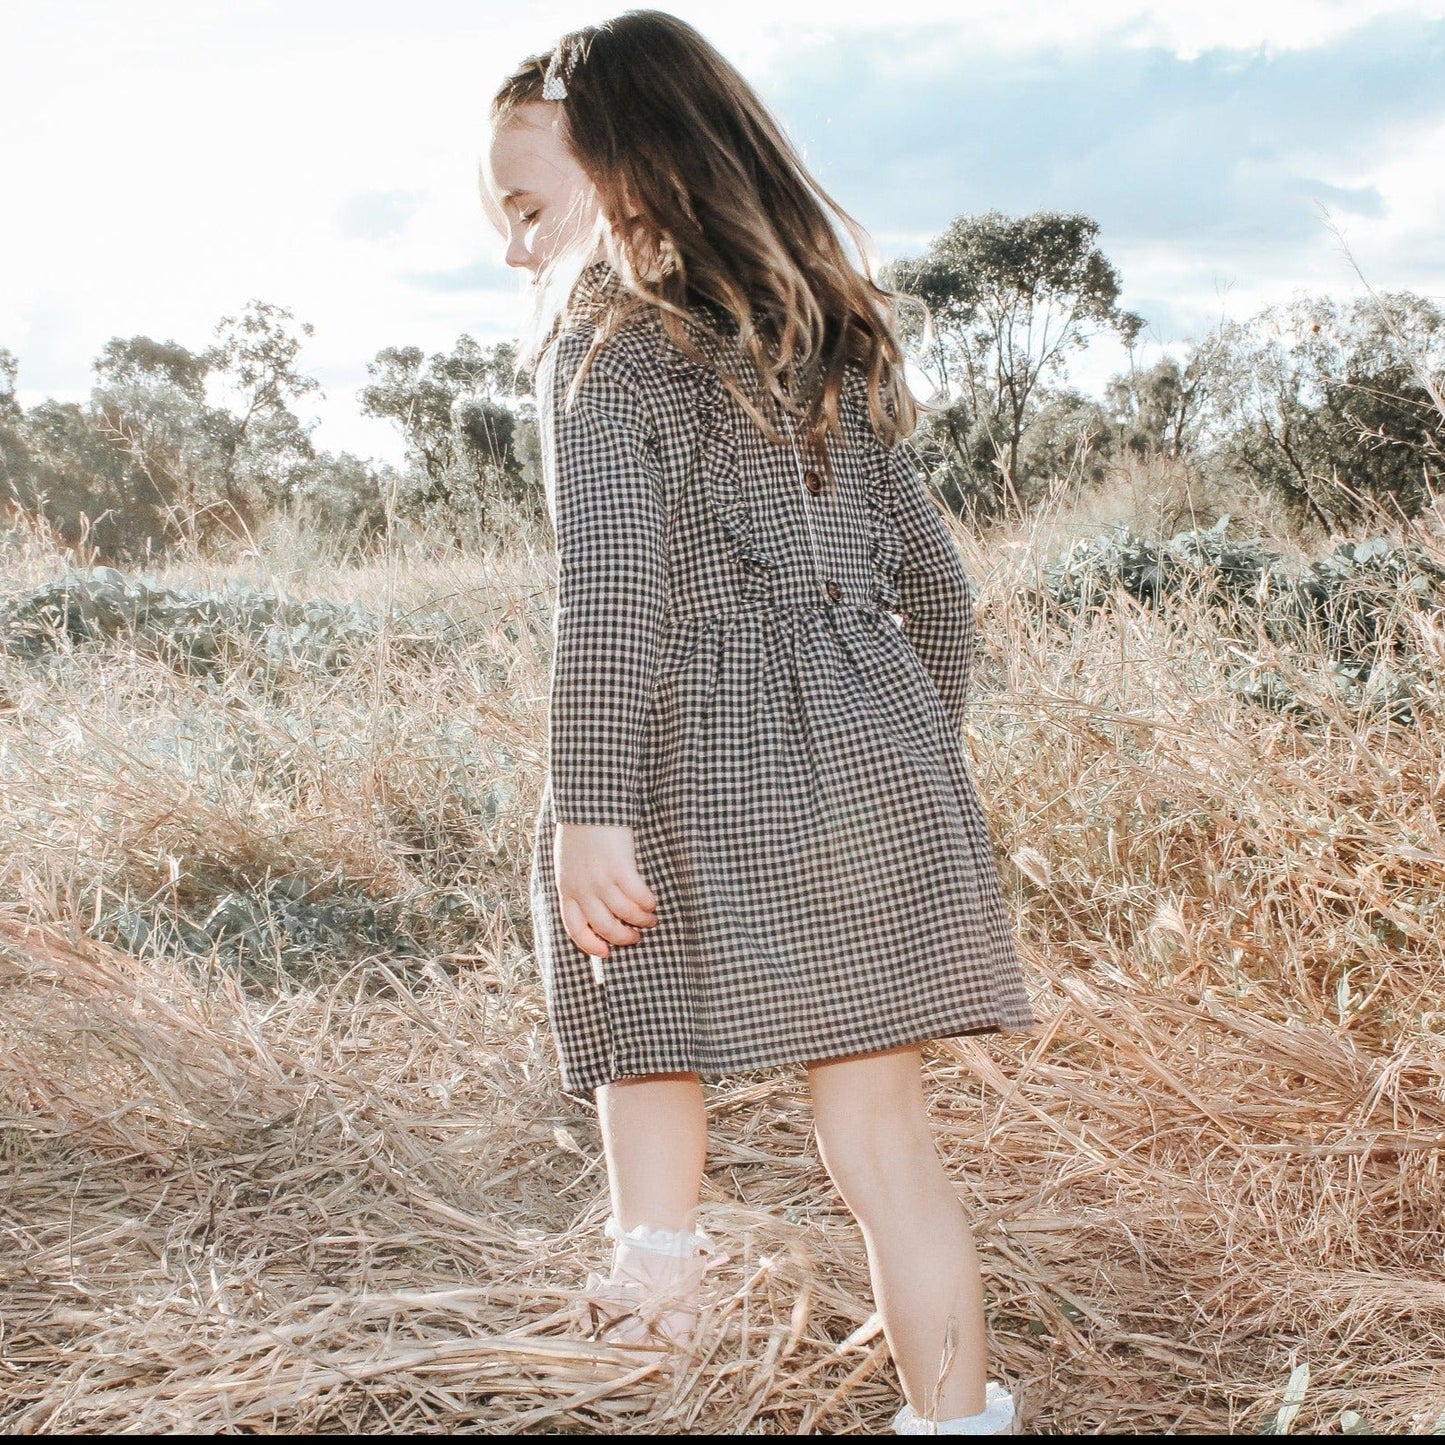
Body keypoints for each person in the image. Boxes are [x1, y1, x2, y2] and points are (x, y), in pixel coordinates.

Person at [479, 11, 1034, 1435]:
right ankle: (956, 1418)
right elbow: (935, 585)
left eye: (528, 206)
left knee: (646, 1062)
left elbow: (610, 596)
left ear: (626, 174)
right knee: (888, 1151)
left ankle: (650, 1369)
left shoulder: (601, 350)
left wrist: (592, 804)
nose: (514, 246)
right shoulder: (821, 336)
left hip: (667, 772)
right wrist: (913, 745)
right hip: (870, 763)